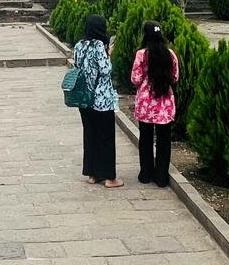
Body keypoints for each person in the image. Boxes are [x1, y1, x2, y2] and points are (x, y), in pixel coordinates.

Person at [73, 14, 123, 188]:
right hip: (101, 99)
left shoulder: (79, 45)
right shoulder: (99, 46)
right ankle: (110, 177)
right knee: (106, 137)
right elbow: (105, 70)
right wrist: (110, 54)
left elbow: (77, 66)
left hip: (84, 98)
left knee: (90, 135)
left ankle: (93, 174)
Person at [130, 21, 180, 187]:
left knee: (145, 138)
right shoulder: (170, 54)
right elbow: (175, 77)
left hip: (146, 104)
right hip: (165, 103)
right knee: (164, 140)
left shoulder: (141, 55)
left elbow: (135, 79)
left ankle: (146, 173)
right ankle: (161, 176)